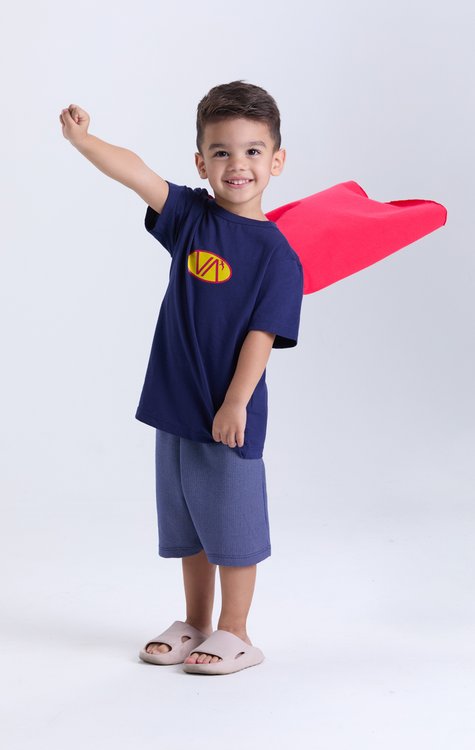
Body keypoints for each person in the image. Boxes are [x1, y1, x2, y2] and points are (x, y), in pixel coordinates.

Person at [59, 80, 304, 675]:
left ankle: (236, 631)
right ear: (201, 163)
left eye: (252, 151)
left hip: (226, 414)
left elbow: (261, 335)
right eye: (221, 152)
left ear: (276, 161)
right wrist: (86, 142)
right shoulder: (191, 218)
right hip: (175, 404)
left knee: (232, 526)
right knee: (189, 525)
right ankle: (196, 621)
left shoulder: (278, 255)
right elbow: (137, 174)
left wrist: (236, 402)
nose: (237, 164)